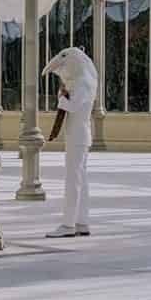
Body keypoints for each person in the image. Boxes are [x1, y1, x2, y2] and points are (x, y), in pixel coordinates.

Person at [43, 46, 98, 239]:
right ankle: (82, 222)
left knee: (73, 181)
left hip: (77, 138)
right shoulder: (86, 80)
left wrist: (61, 98)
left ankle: (67, 224)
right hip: (80, 136)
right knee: (81, 180)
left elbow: (72, 105)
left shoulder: (83, 82)